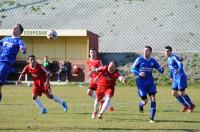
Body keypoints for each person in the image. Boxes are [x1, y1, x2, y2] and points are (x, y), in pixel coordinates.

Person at [131, 46, 164, 123]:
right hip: (141, 83)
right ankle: (141, 104)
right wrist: (139, 73)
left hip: (150, 82)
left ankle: (152, 118)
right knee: (145, 101)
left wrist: (162, 69)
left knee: (153, 98)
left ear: (150, 52)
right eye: (144, 50)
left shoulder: (153, 61)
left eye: (147, 50)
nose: (145, 52)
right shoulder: (139, 59)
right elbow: (132, 68)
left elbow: (160, 70)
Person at [0, 24, 26, 102]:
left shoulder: (19, 41)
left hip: (6, 64)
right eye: (14, 27)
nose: (13, 28)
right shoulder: (5, 39)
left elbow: (23, 49)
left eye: (16, 28)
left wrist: (22, 49)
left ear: (20, 31)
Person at [164, 46, 195, 112]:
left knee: (181, 93)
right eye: (165, 51)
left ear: (171, 51)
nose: (166, 52)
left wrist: (179, 70)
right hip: (175, 78)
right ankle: (185, 106)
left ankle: (191, 105)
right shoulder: (169, 59)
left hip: (180, 77)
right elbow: (171, 69)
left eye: (168, 51)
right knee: (174, 93)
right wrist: (171, 76)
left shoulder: (174, 57)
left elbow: (180, 63)